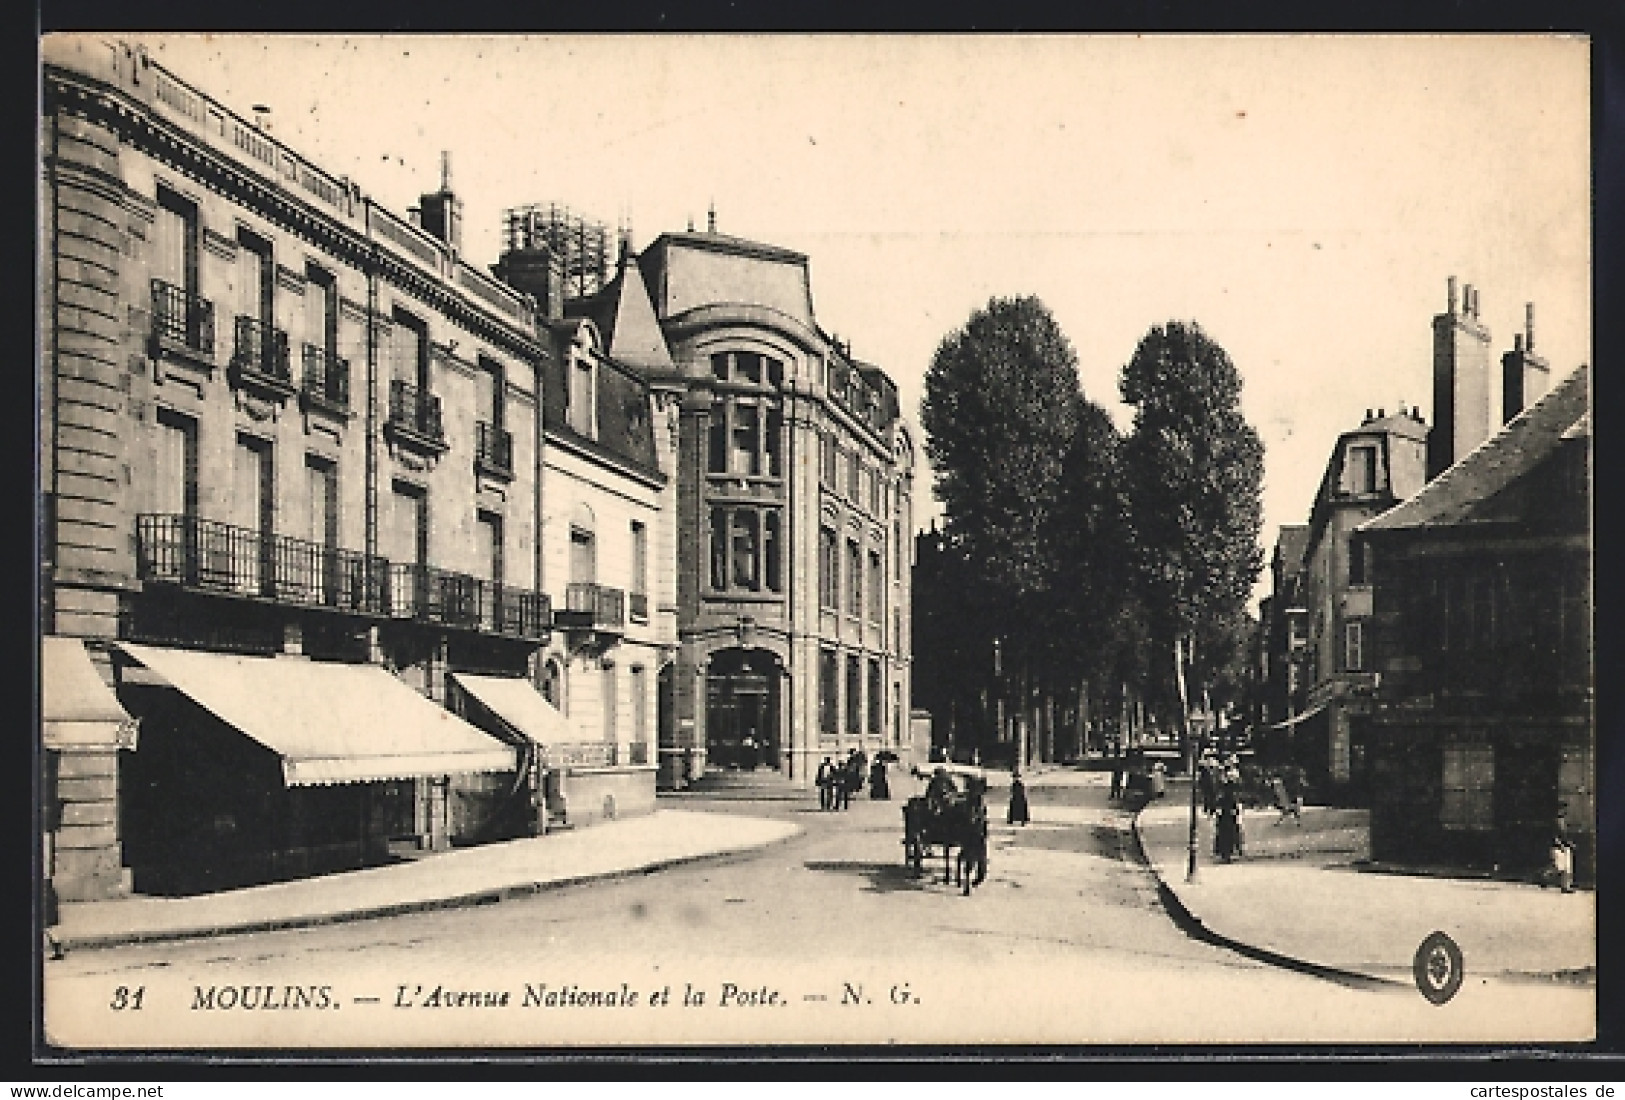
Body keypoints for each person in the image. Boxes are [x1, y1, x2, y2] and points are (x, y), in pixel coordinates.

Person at [1550, 804, 1575, 893]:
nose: (1564, 811)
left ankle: (1565, 887)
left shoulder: (1564, 822)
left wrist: (1569, 844)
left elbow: (1565, 836)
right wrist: (1561, 846)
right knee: (1558, 868)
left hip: (1565, 847)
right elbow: (1555, 837)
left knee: (1567, 868)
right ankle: (1543, 877)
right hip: (1558, 847)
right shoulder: (1556, 822)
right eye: (1562, 809)